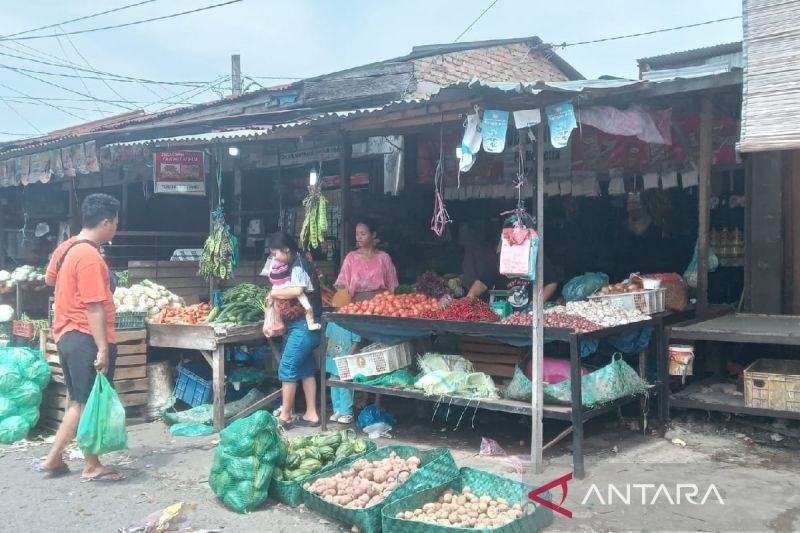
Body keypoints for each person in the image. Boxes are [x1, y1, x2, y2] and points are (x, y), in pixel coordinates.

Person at [39, 193, 124, 482]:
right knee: (88, 402)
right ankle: (91, 465)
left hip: (66, 334)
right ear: (105, 222)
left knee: (78, 401)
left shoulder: (66, 248)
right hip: (85, 335)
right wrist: (103, 348)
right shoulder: (89, 256)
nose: (115, 228)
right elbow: (94, 306)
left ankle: (54, 458)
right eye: (115, 223)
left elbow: (49, 279)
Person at [327, 218, 399, 424]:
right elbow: (342, 286)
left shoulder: (384, 258)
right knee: (355, 352)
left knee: (377, 353)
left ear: (373, 235)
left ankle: (376, 399)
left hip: (380, 307)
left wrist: (385, 305)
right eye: (357, 234)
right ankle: (358, 398)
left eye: (363, 233)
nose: (359, 237)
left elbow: (391, 287)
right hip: (356, 309)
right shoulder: (350, 258)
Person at [262, 231, 322, 429]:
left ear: (286, 250)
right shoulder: (295, 262)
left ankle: (285, 415)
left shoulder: (300, 264)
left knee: (287, 367)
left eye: (276, 254)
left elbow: (297, 290)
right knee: (305, 369)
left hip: (305, 325)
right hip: (302, 325)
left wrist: (273, 292)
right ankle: (311, 414)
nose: (274, 258)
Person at [462, 221, 560, 311]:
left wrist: (535, 304)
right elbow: (483, 282)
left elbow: (551, 283)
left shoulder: (536, 258)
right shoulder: (500, 259)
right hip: (503, 310)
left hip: (529, 311)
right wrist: (471, 296)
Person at [265, 255, 321, 331]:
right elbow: (298, 291)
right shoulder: (291, 280)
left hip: (281, 291)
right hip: (293, 290)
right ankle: (310, 324)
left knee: (275, 307)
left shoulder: (274, 288)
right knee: (308, 308)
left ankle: (278, 325)